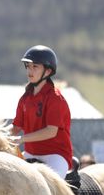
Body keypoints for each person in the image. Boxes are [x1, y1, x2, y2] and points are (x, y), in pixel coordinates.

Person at [11, 45, 72, 178]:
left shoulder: (55, 98)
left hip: (56, 157)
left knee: (51, 189)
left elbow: (51, 131)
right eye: (28, 66)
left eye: (35, 67)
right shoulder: (25, 98)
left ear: (48, 71)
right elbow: (15, 128)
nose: (29, 71)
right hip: (30, 154)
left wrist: (22, 139)